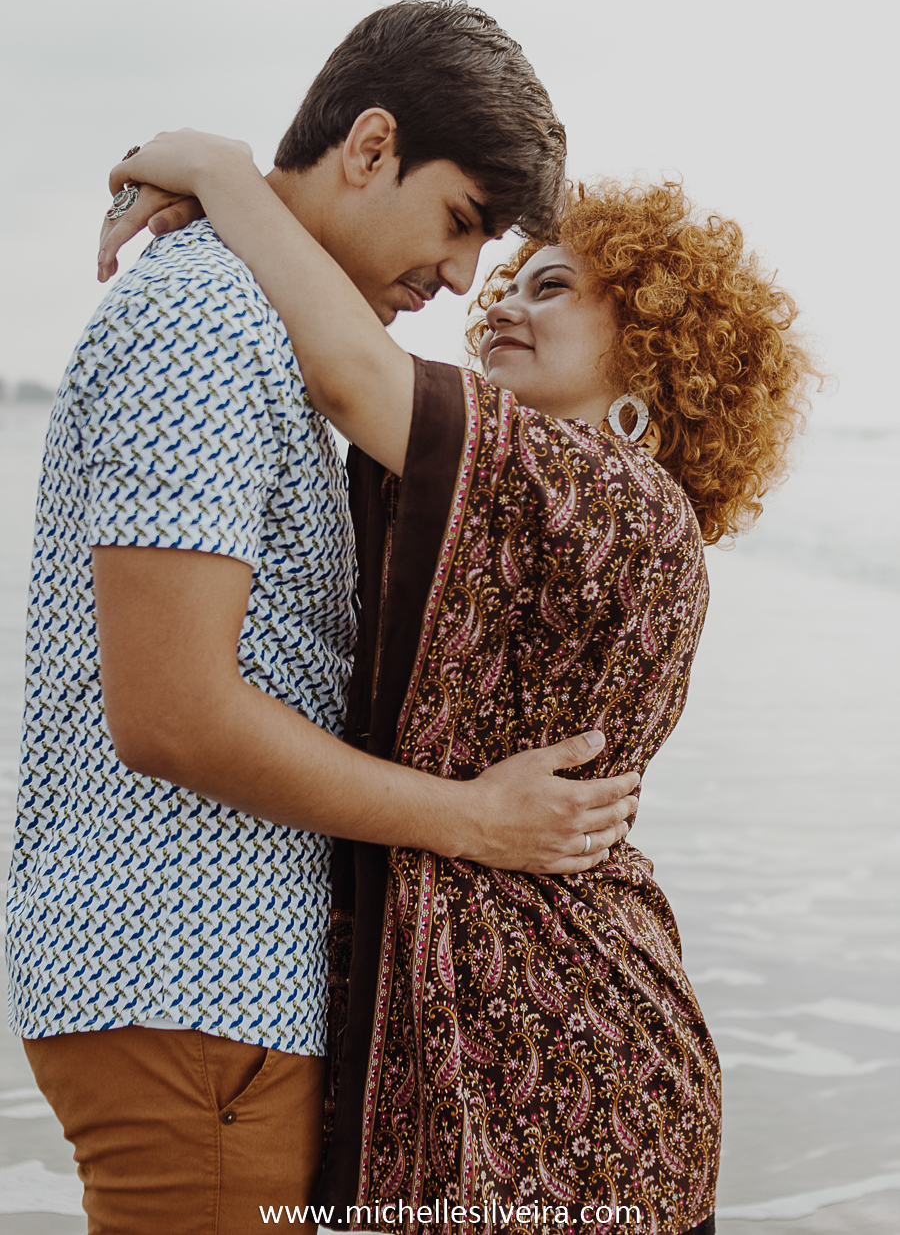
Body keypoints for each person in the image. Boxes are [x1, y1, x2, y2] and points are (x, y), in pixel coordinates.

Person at [103, 131, 818, 1234]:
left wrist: (220, 172)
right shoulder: (510, 497)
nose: (502, 304)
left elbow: (346, 370)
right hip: (494, 1045)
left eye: (556, 287)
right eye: (507, 283)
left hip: (570, 1069)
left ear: (660, 352)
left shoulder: (617, 500)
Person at [6, 1, 641, 1235]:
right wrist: (477, 824)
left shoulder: (281, 336)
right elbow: (175, 713)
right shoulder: (205, 323)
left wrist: (218, 171)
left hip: (224, 995)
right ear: (369, 146)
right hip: (188, 987)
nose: (463, 275)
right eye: (462, 220)